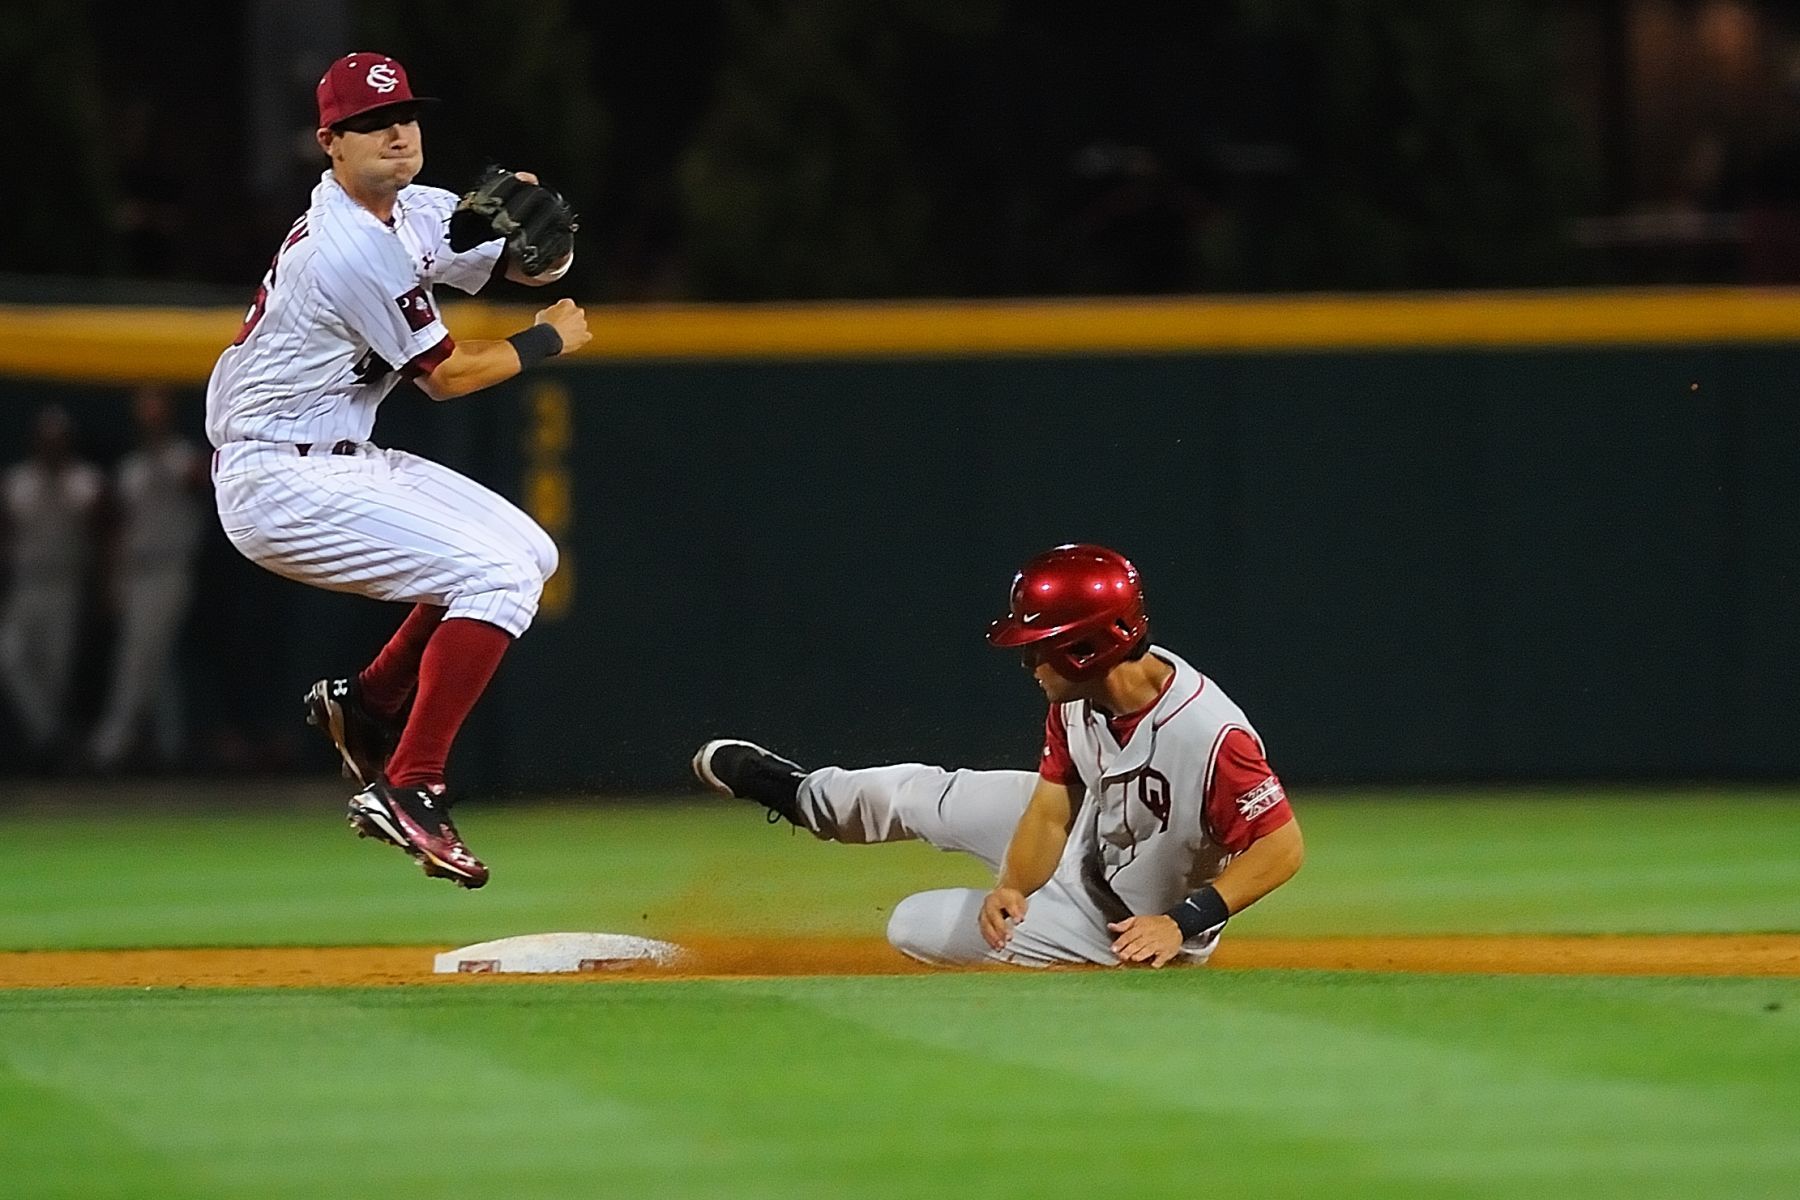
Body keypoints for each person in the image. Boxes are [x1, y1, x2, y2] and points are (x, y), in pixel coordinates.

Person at [205, 52, 591, 888]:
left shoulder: (412, 210)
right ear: (330, 144)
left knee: (530, 554)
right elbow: (447, 377)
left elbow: (517, 261)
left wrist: (551, 250)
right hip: (278, 480)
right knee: (493, 575)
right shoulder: (347, 247)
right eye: (372, 123)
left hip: (340, 457)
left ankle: (371, 702)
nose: (397, 132)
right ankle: (412, 784)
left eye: (406, 115)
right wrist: (546, 338)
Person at [693, 544, 1304, 967]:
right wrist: (1014, 884)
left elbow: (1282, 848)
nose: (1027, 660)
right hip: (1089, 837)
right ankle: (799, 794)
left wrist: (1180, 922)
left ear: (1088, 647)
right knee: (923, 794)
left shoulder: (1208, 735)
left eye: (1041, 645)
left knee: (913, 923)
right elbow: (1049, 810)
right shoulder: (1080, 697)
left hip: (1123, 930)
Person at [88, 386, 208, 770]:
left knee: (137, 658)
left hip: (169, 568)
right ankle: (172, 746)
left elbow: (205, 484)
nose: (149, 416)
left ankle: (108, 748)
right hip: (134, 568)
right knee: (159, 662)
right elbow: (117, 529)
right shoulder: (131, 468)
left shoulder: (182, 457)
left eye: (156, 409)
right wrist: (112, 581)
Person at [0, 407, 104, 767]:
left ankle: (49, 751)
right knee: (10, 658)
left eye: (58, 441)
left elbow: (99, 536)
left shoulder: (83, 481)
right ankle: (50, 736)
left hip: (64, 583)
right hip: (27, 582)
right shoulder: (19, 481)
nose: (52, 447)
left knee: (55, 671)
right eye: (46, 441)